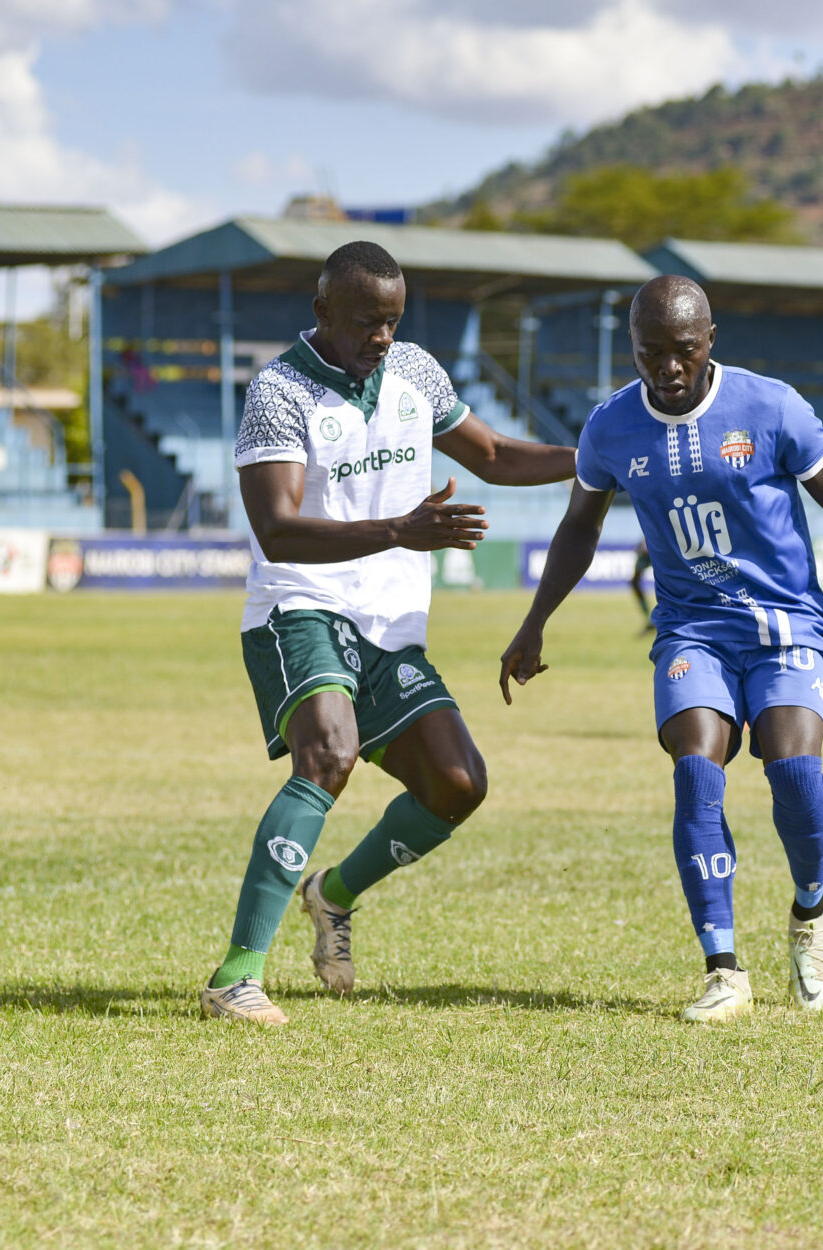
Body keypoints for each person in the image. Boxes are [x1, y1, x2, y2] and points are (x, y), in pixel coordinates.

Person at [201, 240, 576, 1025]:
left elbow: (498, 455)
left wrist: (596, 460)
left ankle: (330, 897)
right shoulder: (279, 390)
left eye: (394, 320)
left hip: (390, 623)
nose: (382, 336)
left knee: (457, 786)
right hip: (301, 604)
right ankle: (236, 977)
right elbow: (277, 529)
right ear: (322, 312)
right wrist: (402, 530)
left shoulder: (415, 373)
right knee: (329, 755)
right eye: (368, 321)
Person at [499, 275, 823, 1023]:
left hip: (785, 625)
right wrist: (534, 621)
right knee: (695, 768)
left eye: (683, 351)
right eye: (652, 353)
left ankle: (810, 913)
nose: (668, 369)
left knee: (795, 769)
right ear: (633, 349)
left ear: (711, 341)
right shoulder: (611, 426)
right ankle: (723, 970)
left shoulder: (770, 406)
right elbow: (580, 526)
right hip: (691, 629)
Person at [629, 538, 655, 634]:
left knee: (669, 581)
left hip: (660, 543)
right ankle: (650, 620)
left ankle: (665, 618)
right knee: (634, 582)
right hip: (649, 542)